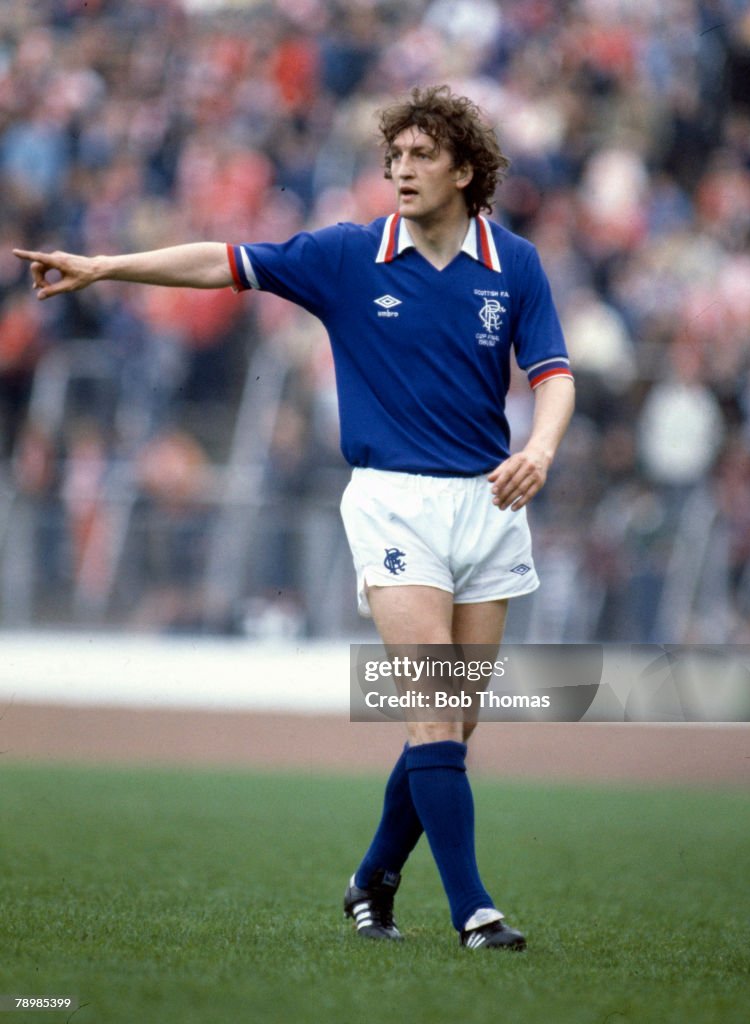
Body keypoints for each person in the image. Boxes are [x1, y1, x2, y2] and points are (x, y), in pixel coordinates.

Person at [14, 85, 575, 951]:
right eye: (394, 157)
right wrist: (105, 265)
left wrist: (539, 448)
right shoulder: (349, 255)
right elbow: (225, 262)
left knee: (455, 722)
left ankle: (370, 880)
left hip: (490, 503)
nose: (402, 170)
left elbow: (554, 375)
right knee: (432, 706)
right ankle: (475, 911)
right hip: (394, 500)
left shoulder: (517, 264)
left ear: (467, 170)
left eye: (423, 156)